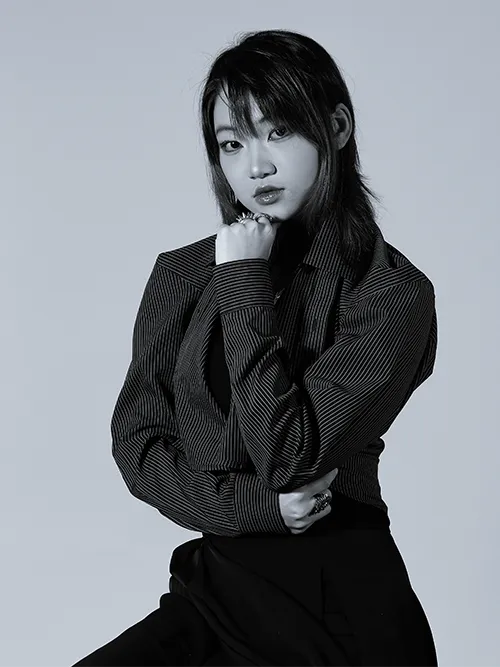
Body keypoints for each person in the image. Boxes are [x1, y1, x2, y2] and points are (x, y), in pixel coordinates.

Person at [72, 29, 439, 667]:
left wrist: (244, 283)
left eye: (278, 133)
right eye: (232, 143)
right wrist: (257, 509)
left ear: (337, 127)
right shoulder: (185, 275)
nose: (255, 167)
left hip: (337, 611)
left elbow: (290, 457)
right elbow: (138, 446)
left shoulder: (391, 295)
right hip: (215, 591)